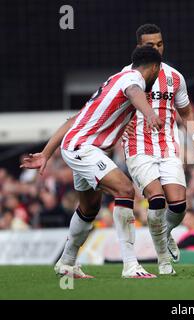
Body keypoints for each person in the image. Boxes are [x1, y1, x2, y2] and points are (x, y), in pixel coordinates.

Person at [20, 46, 163, 279]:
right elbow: (136, 92)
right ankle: (130, 265)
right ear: (155, 68)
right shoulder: (132, 79)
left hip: (79, 146)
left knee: (89, 208)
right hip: (84, 149)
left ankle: (66, 263)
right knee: (125, 190)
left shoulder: (111, 83)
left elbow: (74, 120)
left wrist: (46, 153)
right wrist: (148, 113)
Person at [122, 24, 194, 275]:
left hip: (168, 147)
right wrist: (119, 130)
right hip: (138, 147)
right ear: (139, 47)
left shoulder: (174, 77)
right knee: (157, 201)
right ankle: (163, 261)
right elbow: (111, 110)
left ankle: (166, 233)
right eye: (151, 45)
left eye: (160, 44)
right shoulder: (126, 77)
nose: (157, 49)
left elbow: (186, 112)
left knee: (179, 206)